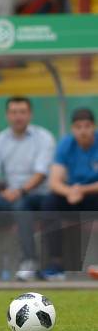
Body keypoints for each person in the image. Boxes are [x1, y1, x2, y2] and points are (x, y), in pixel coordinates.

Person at [0, 97, 55, 282]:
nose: (18, 116)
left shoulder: (44, 137)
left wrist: (20, 191)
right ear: (7, 115)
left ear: (30, 114)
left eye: (22, 112)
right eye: (14, 112)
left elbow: (41, 174)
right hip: (10, 196)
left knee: (21, 204)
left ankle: (29, 262)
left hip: (39, 195)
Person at [41, 108, 98, 280]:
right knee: (49, 204)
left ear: (93, 127)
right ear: (73, 129)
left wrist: (82, 190)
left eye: (87, 126)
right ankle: (56, 264)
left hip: (93, 193)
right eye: (78, 127)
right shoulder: (66, 144)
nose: (83, 131)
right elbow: (54, 181)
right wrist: (70, 192)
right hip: (72, 195)